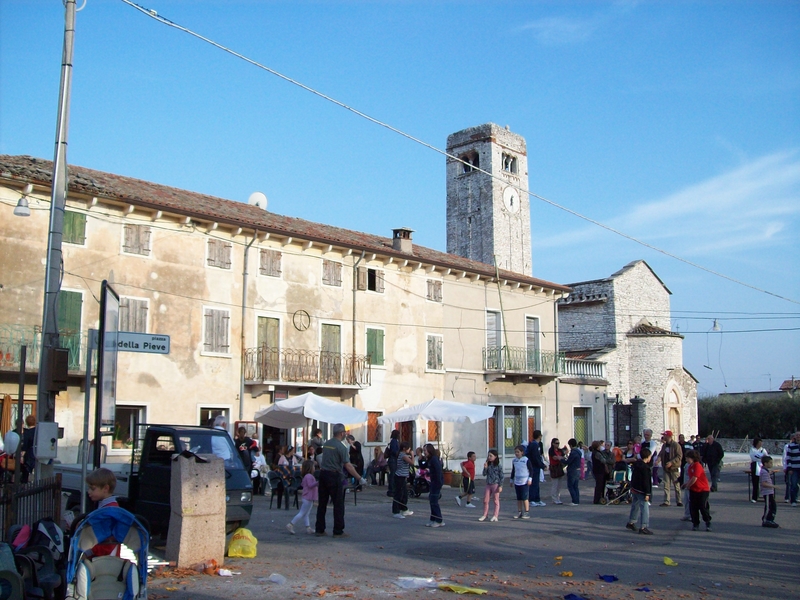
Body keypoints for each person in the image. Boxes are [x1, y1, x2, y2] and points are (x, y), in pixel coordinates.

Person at [315, 423, 367, 538]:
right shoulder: (341, 447)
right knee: (338, 504)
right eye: (345, 433)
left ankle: (319, 529)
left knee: (322, 504)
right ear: (342, 433)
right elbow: (348, 465)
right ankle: (338, 530)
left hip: (323, 474)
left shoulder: (327, 443)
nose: (345, 434)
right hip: (334, 475)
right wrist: (359, 478)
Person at [83, 468, 122, 558]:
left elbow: (108, 543)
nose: (89, 492)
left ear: (105, 488)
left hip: (103, 561)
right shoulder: (108, 507)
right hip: (104, 557)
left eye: (93, 489)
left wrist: (88, 552)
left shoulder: (109, 511)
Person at [626, 446, 653, 535]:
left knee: (635, 506)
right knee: (644, 508)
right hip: (642, 490)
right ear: (648, 457)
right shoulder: (645, 468)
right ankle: (644, 526)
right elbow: (646, 481)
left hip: (635, 488)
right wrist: (647, 493)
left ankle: (631, 521)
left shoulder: (637, 465)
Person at [682, 450, 711, 531]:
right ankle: (695, 523)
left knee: (703, 506)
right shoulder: (689, 467)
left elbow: (695, 478)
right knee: (693, 507)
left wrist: (688, 485)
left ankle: (707, 521)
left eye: (688, 458)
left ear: (693, 458)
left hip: (703, 489)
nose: (686, 460)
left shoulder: (697, 465)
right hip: (694, 489)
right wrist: (685, 484)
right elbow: (691, 478)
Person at [287, 459, 319, 535]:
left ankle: (308, 527)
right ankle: (291, 524)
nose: (314, 468)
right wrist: (318, 482)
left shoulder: (307, 476)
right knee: (302, 513)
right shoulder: (309, 476)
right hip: (308, 497)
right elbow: (310, 485)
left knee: (306, 513)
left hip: (309, 497)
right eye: (313, 467)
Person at [657, 430, 683, 507]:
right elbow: (661, 454)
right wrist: (658, 459)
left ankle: (679, 500)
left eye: (664, 435)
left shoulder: (676, 445)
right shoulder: (664, 446)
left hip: (674, 468)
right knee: (666, 485)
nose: (663, 437)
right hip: (666, 468)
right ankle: (666, 501)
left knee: (676, 485)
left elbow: (679, 456)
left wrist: (671, 462)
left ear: (668, 436)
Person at [478, 449, 504, 522]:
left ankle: (495, 515)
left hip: (495, 484)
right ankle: (485, 515)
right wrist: (485, 468)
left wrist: (500, 486)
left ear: (495, 456)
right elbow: (484, 474)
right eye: (488, 456)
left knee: (496, 500)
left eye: (491, 456)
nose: (489, 457)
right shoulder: (488, 464)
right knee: (485, 500)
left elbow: (502, 476)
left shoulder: (498, 465)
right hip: (488, 484)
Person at [392, 442, 415, 519]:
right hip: (399, 477)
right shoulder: (403, 455)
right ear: (404, 449)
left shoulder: (403, 455)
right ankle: (396, 511)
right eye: (409, 448)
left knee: (404, 494)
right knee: (398, 494)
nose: (410, 450)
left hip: (402, 477)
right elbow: (412, 463)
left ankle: (404, 508)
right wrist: (412, 455)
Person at [525, 430, 547, 507]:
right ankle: (532, 499)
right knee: (533, 483)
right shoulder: (534, 445)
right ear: (539, 436)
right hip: (533, 466)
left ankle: (537, 499)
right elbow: (536, 457)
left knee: (536, 483)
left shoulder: (536, 444)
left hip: (536, 466)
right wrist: (542, 466)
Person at [510, 445, 533, 519]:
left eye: (518, 452)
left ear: (522, 452)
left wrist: (530, 479)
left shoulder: (526, 460)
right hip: (517, 481)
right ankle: (519, 512)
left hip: (524, 481)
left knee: (525, 497)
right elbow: (513, 471)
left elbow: (531, 470)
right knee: (519, 498)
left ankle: (527, 512)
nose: (516, 453)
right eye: (515, 452)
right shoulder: (514, 461)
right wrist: (511, 480)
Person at [424, 444, 444, 527]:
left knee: (434, 501)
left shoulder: (434, 459)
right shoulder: (430, 459)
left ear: (429, 450)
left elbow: (439, 471)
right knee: (431, 500)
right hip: (433, 482)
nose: (424, 452)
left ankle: (439, 520)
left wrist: (439, 482)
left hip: (436, 482)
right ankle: (433, 519)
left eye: (425, 450)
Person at [591, 440, 613, 504]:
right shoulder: (597, 453)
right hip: (599, 471)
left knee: (600, 485)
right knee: (599, 485)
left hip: (597, 470)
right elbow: (603, 460)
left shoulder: (595, 452)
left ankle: (600, 497)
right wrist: (609, 460)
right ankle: (597, 499)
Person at [759, 455, 779, 528]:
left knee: (773, 506)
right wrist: (773, 486)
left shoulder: (766, 471)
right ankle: (765, 520)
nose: (771, 464)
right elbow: (764, 483)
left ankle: (770, 519)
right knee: (768, 506)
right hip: (767, 492)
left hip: (770, 492)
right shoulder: (764, 472)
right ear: (765, 463)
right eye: (770, 463)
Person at [749, 438, 769, 502]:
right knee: (755, 482)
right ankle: (754, 497)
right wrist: (760, 457)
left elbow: (766, 457)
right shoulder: (752, 449)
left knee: (764, 482)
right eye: (759, 442)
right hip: (755, 466)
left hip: (762, 466)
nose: (760, 444)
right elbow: (753, 457)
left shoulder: (763, 450)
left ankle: (766, 496)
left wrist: (760, 458)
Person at [548, 438, 567, 505]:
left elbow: (563, 456)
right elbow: (555, 458)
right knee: (555, 484)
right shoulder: (551, 450)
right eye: (556, 443)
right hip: (554, 467)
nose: (557, 444)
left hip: (559, 467)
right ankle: (554, 498)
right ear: (553, 443)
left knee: (559, 485)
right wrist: (560, 457)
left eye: (558, 443)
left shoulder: (560, 450)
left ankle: (558, 498)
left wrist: (560, 457)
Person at [784, 432, 800, 506]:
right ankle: (793, 501)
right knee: (793, 484)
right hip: (794, 468)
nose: (798, 437)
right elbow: (788, 458)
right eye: (797, 436)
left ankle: (797, 498)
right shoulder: (790, 446)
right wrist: (789, 468)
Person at [20, 414, 36, 483]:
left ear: (26, 422)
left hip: (29, 453)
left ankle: (24, 483)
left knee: (26, 470)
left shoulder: (27, 433)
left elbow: (25, 446)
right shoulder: (38, 431)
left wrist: (22, 456)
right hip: (37, 452)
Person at [565, 439, 582, 505]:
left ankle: (574, 501)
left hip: (572, 470)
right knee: (575, 486)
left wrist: (561, 459)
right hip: (578, 470)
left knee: (571, 486)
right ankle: (577, 500)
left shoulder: (573, 452)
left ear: (571, 445)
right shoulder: (578, 452)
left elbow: (568, 461)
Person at [386, 430, 400, 498]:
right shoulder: (394, 441)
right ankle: (391, 490)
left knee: (393, 474)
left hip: (393, 459)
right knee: (393, 475)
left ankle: (392, 489)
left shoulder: (394, 441)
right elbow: (394, 451)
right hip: (393, 460)